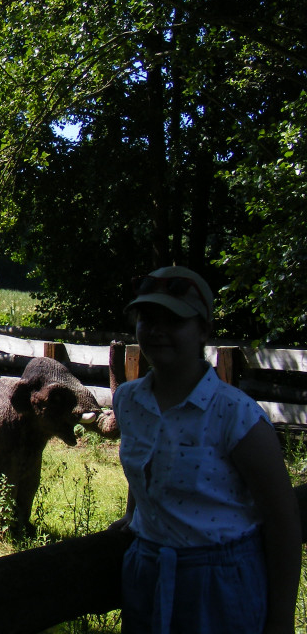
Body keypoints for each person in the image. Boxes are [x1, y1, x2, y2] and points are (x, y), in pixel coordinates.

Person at [111, 265, 301, 633]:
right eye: (147, 318)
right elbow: (147, 464)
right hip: (146, 573)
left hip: (220, 582)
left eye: (174, 320)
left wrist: (280, 620)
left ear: (203, 329)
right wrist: (135, 514)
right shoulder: (129, 401)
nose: (157, 330)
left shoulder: (235, 415)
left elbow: (283, 519)